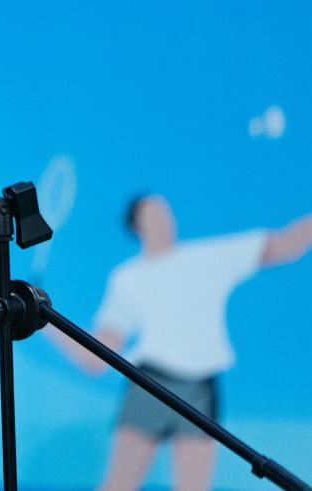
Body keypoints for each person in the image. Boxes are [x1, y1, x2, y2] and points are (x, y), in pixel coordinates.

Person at [50, 193, 312, 491]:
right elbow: (98, 357)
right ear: (137, 225)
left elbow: (284, 245)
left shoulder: (207, 258)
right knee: (119, 485)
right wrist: (43, 318)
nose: (164, 220)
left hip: (199, 389)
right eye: (153, 213)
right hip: (149, 384)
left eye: (165, 212)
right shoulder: (128, 277)